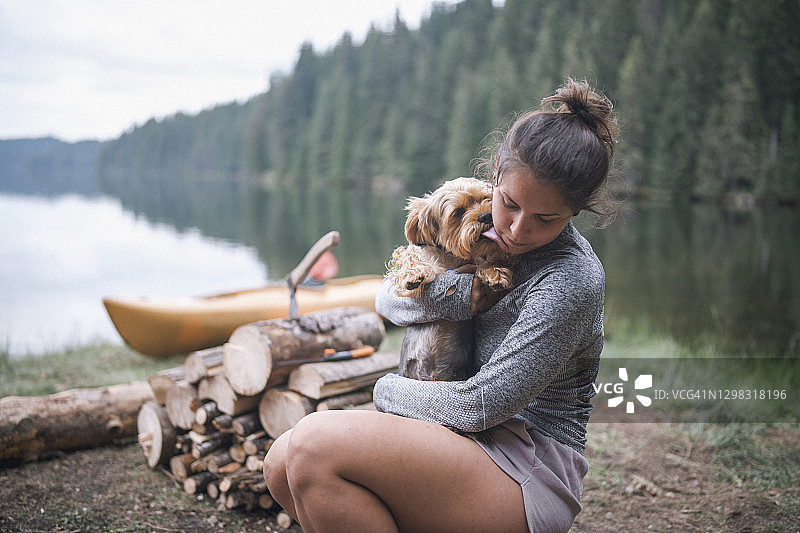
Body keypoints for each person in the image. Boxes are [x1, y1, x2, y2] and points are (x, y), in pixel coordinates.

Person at [264, 77, 620, 533]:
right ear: (494, 174)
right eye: (507, 203)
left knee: (312, 443)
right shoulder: (475, 229)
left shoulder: (572, 278)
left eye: (545, 219)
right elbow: (387, 299)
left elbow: (481, 405)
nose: (514, 229)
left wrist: (382, 391)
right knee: (279, 463)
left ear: (576, 212)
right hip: (456, 435)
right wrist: (458, 298)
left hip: (523, 464)